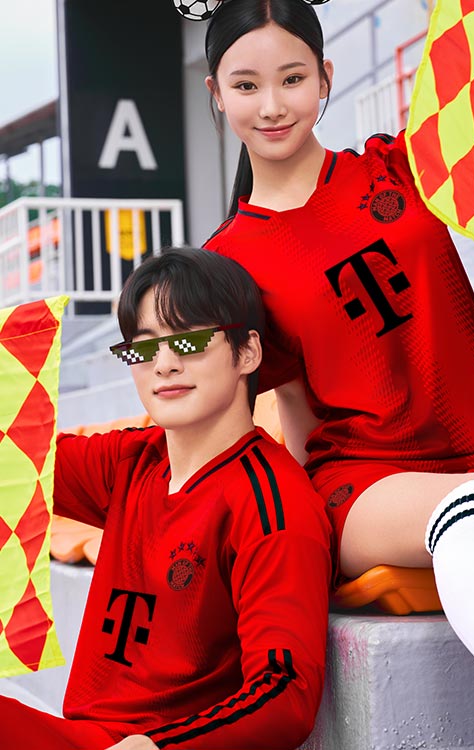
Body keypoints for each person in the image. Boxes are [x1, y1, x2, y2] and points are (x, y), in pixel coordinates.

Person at [198, 0, 474, 682]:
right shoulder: (225, 266)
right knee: (471, 511)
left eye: (293, 79)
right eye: (246, 85)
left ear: (325, 77)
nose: (272, 105)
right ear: (216, 93)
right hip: (367, 482)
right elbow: (294, 412)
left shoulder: (400, 164)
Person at [0, 247, 331, 749]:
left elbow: (286, 693)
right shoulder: (133, 461)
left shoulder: (273, 503)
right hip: (82, 735)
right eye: (145, 347)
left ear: (247, 352)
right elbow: (16, 459)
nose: (165, 365)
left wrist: (158, 748)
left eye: (190, 340)